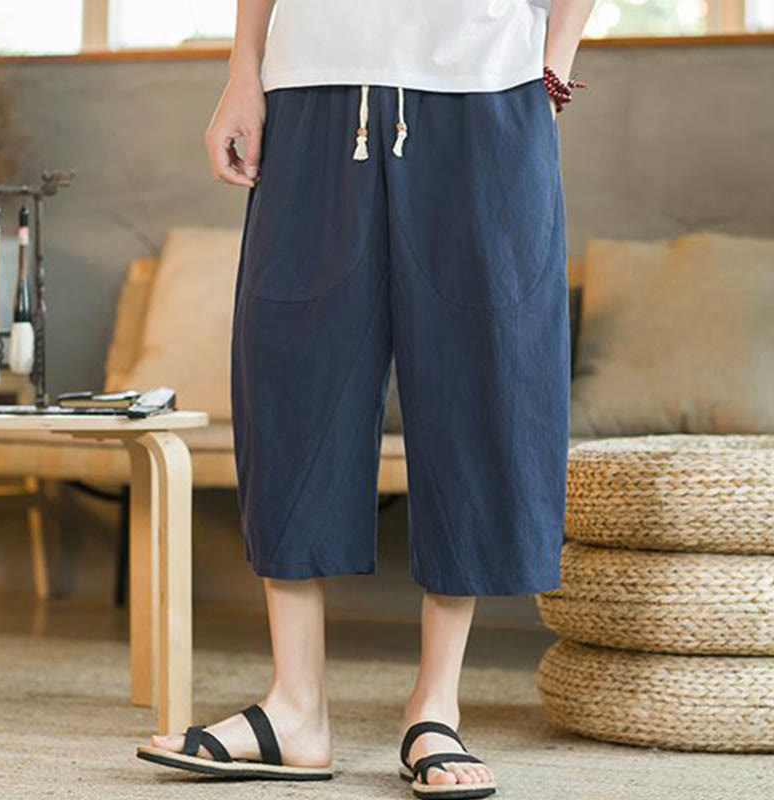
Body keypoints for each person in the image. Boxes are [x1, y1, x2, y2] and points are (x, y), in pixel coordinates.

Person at [137, 1, 594, 797]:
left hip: (484, 83)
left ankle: (436, 707)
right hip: (312, 83)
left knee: (480, 379)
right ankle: (294, 707)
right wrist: (243, 71)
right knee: (291, 375)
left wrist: (553, 59)